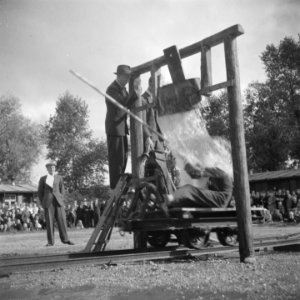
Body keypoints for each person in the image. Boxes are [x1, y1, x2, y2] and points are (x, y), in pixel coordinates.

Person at [105, 65, 139, 190]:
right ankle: (115, 188)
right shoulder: (112, 89)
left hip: (122, 129)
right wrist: (135, 92)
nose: (127, 80)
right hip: (114, 129)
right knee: (116, 161)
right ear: (119, 76)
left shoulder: (124, 90)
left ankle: (120, 186)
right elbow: (123, 104)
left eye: (129, 77)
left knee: (124, 158)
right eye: (126, 77)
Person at [164, 160, 233, 209]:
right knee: (189, 200)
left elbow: (196, 175)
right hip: (221, 199)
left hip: (221, 199)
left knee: (189, 189)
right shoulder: (222, 169)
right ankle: (170, 205)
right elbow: (196, 174)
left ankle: (169, 198)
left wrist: (188, 167)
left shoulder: (219, 170)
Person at [38, 161, 74, 246]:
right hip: (48, 203)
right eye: (50, 168)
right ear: (47, 169)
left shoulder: (59, 177)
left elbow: (62, 190)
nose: (52, 169)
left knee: (62, 221)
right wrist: (43, 203)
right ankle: (51, 242)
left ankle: (66, 239)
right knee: (50, 223)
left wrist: (61, 199)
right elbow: (40, 192)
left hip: (58, 202)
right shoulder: (43, 179)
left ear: (55, 168)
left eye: (53, 167)